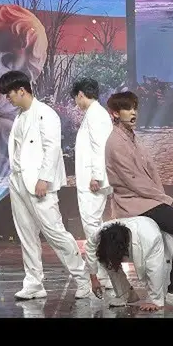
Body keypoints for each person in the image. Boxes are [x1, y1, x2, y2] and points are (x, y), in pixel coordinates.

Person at [100, 91, 173, 309]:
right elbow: (133, 181)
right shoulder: (115, 142)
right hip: (134, 203)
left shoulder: (132, 137)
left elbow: (150, 172)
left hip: (148, 198)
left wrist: (162, 197)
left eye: (135, 108)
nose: (133, 113)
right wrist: (163, 198)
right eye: (127, 108)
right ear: (115, 113)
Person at [0, 70, 90, 300]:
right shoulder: (20, 116)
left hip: (39, 183)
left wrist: (44, 179)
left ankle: (83, 279)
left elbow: (52, 148)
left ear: (22, 90)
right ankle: (34, 283)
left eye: (9, 94)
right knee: (26, 234)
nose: (7, 99)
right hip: (18, 181)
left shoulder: (46, 114)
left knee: (55, 232)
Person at [85, 216, 173, 311]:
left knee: (160, 275)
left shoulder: (150, 238)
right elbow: (90, 249)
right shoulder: (100, 234)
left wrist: (154, 300)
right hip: (127, 238)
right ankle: (126, 295)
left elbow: (154, 268)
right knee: (106, 260)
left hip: (147, 234)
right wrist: (94, 279)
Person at [71, 78, 113, 288]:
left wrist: (96, 175)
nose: (76, 103)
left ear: (80, 94)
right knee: (94, 226)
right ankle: (103, 272)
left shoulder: (96, 114)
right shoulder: (95, 113)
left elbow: (100, 147)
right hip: (91, 179)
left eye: (75, 98)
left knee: (92, 227)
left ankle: (103, 273)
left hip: (92, 181)